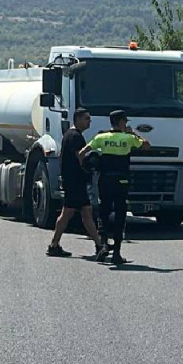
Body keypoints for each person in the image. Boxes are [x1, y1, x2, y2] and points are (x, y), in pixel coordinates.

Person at [81, 110, 150, 264]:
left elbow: (82, 152)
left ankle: (103, 245)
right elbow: (146, 145)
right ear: (121, 122)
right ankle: (117, 253)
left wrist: (84, 169)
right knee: (120, 214)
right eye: (125, 122)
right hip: (122, 181)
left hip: (105, 180)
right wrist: (135, 134)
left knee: (103, 212)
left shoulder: (101, 137)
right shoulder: (128, 138)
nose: (126, 124)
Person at [48, 109, 107, 261]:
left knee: (83, 212)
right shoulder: (75, 137)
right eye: (87, 118)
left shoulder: (69, 134)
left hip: (73, 181)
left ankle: (98, 245)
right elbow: (79, 157)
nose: (89, 121)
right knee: (70, 213)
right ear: (78, 119)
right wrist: (89, 166)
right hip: (75, 181)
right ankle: (55, 244)